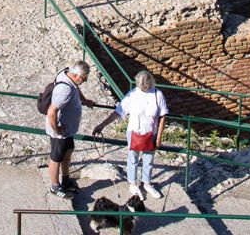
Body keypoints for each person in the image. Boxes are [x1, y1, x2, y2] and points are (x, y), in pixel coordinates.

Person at [90, 70, 169, 200]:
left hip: (151, 133)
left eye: (145, 85)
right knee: (133, 158)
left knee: (148, 160)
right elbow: (118, 111)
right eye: (141, 85)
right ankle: (133, 183)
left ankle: (147, 183)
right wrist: (102, 125)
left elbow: (162, 117)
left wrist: (159, 137)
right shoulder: (132, 95)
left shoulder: (157, 95)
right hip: (134, 132)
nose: (143, 87)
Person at [44, 61, 100, 197]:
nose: (85, 81)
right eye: (84, 79)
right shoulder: (64, 90)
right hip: (60, 132)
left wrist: (84, 100)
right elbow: (52, 112)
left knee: (68, 151)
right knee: (56, 157)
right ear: (76, 75)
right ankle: (55, 186)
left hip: (67, 130)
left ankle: (66, 180)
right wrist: (57, 129)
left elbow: (76, 88)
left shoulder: (68, 76)